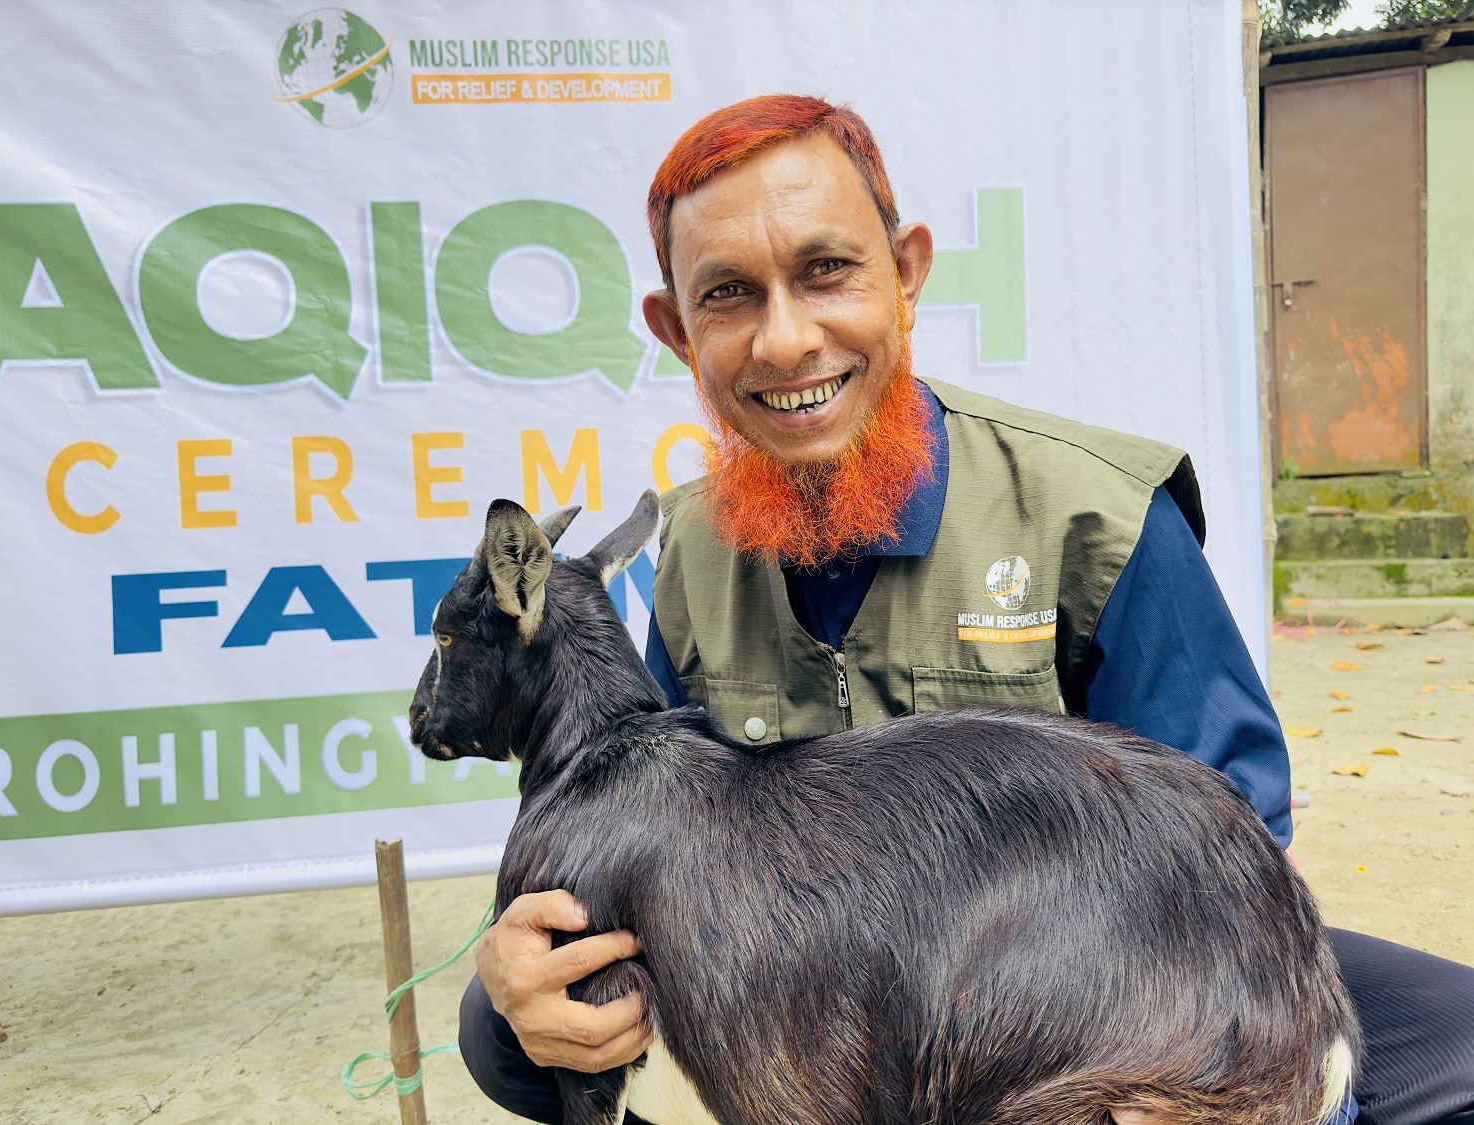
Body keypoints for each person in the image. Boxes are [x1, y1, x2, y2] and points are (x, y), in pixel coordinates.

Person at [460, 96, 1474, 1125]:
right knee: (498, 1038)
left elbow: (1232, 867)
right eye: (729, 295)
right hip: (845, 1019)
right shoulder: (688, 553)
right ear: (678, 331)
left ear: (905, 275)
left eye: (827, 270)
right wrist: (519, 983)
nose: (787, 340)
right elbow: (646, 845)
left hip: (1078, 1003)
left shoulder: (1099, 518)